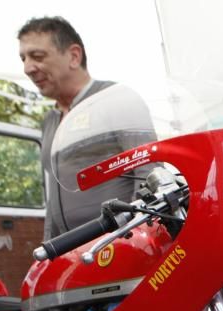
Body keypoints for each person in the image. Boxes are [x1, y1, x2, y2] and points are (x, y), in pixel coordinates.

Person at [18, 16, 153, 240]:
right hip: (76, 256)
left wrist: (134, 238)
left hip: (119, 246)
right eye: (23, 58)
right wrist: (48, 251)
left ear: (73, 56)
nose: (27, 68)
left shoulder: (117, 99)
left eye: (37, 56)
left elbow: (149, 173)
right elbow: (54, 196)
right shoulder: (51, 119)